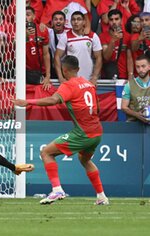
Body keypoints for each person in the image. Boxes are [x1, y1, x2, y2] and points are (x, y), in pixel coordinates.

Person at [12, 55, 108, 205]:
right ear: (78, 69)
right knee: (85, 159)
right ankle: (101, 196)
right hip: (97, 132)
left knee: (46, 153)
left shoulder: (68, 85)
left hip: (83, 133)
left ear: (63, 70)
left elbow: (53, 100)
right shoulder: (89, 84)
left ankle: (57, 190)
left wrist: (27, 102)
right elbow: (98, 108)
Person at [54, 11, 102, 85]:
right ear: (70, 22)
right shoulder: (65, 37)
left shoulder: (92, 36)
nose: (76, 22)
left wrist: (95, 77)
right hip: (71, 80)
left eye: (79, 19)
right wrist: (60, 77)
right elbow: (57, 56)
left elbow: (99, 57)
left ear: (84, 22)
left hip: (88, 80)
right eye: (73, 20)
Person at [121, 54, 150, 123]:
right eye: (138, 67)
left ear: (149, 66)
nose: (140, 70)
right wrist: (137, 115)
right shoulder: (129, 85)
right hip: (134, 123)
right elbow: (124, 107)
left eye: (143, 66)